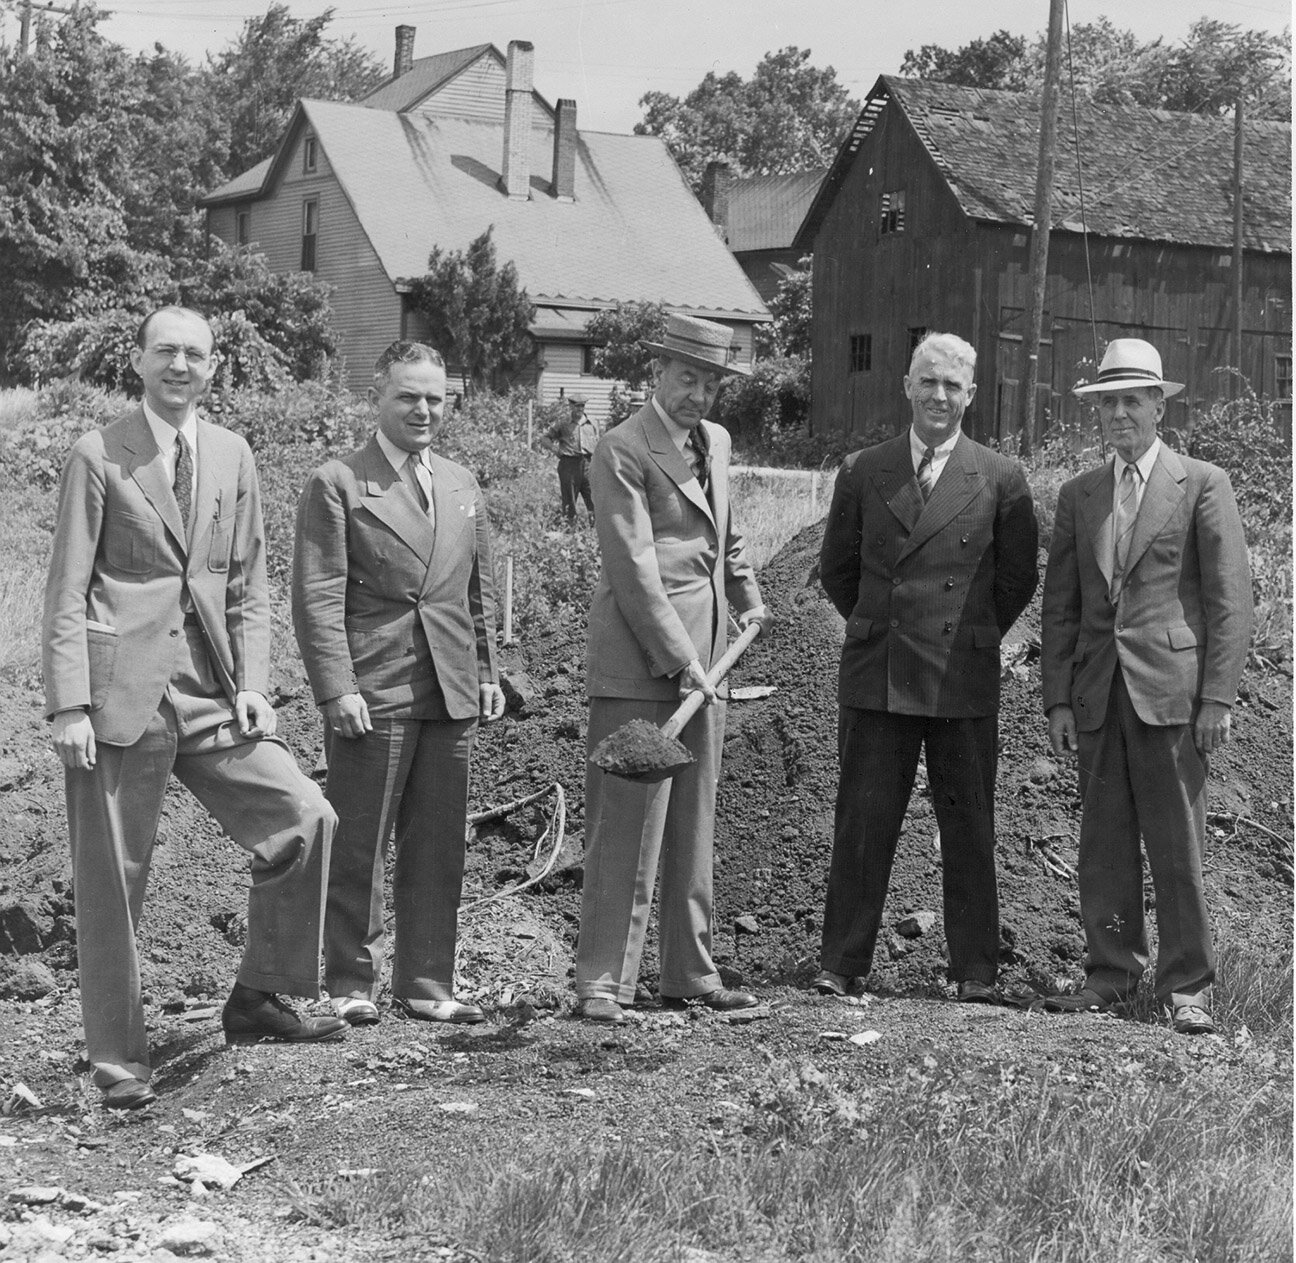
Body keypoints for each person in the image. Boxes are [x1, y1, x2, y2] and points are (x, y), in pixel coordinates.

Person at [42, 306, 345, 1112]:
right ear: (138, 362)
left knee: (305, 816)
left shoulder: (234, 454)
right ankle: (118, 1060)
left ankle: (259, 995)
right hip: (118, 697)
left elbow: (246, 581)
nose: (181, 365)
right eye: (166, 351)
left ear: (215, 369)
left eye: (196, 354)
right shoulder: (98, 453)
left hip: (209, 688)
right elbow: (67, 587)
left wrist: (252, 679)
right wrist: (68, 702)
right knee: (115, 881)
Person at [815, 332, 1038, 1004]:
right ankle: (842, 962)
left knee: (968, 823)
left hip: (960, 676)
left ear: (971, 395)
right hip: (879, 670)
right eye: (929, 382)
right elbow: (838, 571)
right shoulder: (863, 469)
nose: (939, 396)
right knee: (863, 819)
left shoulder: (1001, 477)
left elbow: (1017, 579)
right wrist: (884, 623)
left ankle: (974, 970)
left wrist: (970, 635)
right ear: (907, 386)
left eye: (953, 385)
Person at [1040, 339, 1251, 1035]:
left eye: (1134, 399)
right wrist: (1060, 697)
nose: (1121, 413)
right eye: (1109, 402)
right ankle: (1112, 973)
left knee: (1177, 844)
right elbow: (1062, 605)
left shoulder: (1203, 483)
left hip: (1173, 695)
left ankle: (1187, 986)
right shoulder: (1080, 495)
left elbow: (1228, 601)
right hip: (1099, 695)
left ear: (1161, 404)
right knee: (1102, 843)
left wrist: (1217, 697)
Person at [292, 341, 504, 1028]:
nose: (423, 410)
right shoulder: (339, 482)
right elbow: (317, 595)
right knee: (358, 840)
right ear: (377, 398)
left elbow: (474, 593)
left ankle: (427, 981)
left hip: (449, 686)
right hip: (374, 684)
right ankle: (351, 979)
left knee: (440, 841)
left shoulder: (462, 483)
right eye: (408, 396)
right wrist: (335, 686)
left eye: (435, 398)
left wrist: (487, 673)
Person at [575, 313, 771, 1024]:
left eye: (712, 383)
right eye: (687, 378)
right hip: (641, 661)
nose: (698, 395)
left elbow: (728, 532)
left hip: (709, 658)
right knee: (626, 823)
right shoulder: (622, 448)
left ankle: (690, 973)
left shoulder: (714, 442)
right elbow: (632, 568)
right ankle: (602, 983)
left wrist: (747, 598)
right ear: (658, 373)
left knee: (693, 821)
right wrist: (680, 658)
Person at [545, 392, 600, 522]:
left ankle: (595, 528)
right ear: (570, 406)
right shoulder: (563, 423)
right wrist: (555, 449)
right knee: (569, 500)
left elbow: (599, 443)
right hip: (569, 465)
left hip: (588, 464)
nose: (579, 409)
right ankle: (569, 529)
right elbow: (545, 438)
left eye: (582, 406)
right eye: (576, 406)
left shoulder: (592, 423)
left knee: (594, 497)